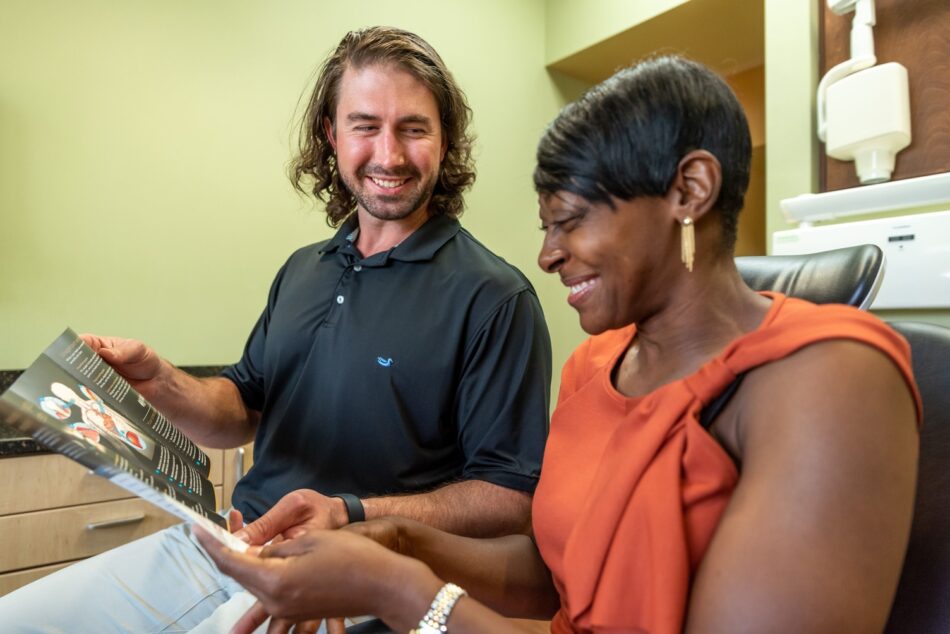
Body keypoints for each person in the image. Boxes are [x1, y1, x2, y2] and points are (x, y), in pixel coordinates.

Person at [197, 55, 921, 633]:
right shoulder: (594, 368)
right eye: (545, 226)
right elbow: (552, 584)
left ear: (689, 191)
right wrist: (379, 538)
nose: (547, 257)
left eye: (570, 221)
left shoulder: (833, 376)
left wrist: (394, 587)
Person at [0, 26, 551, 632]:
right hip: (223, 544)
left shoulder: (496, 298)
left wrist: (353, 512)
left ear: (444, 140)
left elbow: (508, 500)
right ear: (332, 135)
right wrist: (158, 380)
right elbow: (242, 405)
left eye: (413, 128)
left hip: (351, 578)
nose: (389, 155)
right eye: (365, 125)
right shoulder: (303, 270)